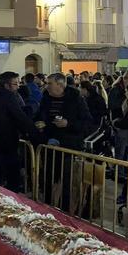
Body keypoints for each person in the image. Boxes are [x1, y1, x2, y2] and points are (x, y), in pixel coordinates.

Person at [35, 72, 92, 211]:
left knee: (67, 183)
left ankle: (65, 214)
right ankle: (47, 209)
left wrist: (68, 124)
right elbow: (39, 115)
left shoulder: (76, 99)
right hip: (49, 146)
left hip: (69, 148)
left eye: (49, 83)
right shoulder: (45, 98)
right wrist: (39, 123)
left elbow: (88, 123)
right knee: (48, 180)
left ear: (60, 85)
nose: (46, 86)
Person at [0, 72, 34, 192]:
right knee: (12, 176)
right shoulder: (8, 97)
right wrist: (34, 133)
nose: (18, 86)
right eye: (15, 84)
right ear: (7, 85)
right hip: (7, 141)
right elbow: (19, 117)